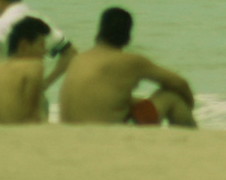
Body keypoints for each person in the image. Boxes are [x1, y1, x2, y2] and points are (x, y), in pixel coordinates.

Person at [58, 7, 197, 127]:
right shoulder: (131, 61)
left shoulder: (79, 58)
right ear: (128, 36)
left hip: (70, 130)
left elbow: (105, 100)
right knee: (171, 96)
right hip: (107, 134)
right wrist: (189, 105)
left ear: (99, 32)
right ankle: (192, 143)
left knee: (136, 101)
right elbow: (179, 83)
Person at [0, 0, 76, 96]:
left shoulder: (0, 22)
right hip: (35, 95)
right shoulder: (40, 20)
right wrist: (46, 83)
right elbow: (70, 53)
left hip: (10, 93)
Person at [0, 16, 51, 124]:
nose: (45, 52)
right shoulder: (34, 67)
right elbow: (33, 116)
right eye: (41, 45)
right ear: (24, 45)